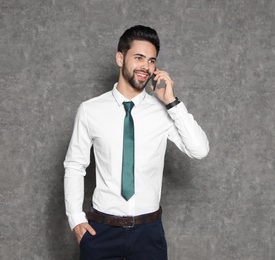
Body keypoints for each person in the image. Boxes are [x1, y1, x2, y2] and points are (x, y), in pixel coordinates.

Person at [64, 25, 209, 260]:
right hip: (101, 231)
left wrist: (171, 102)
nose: (146, 67)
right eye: (139, 57)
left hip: (148, 234)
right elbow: (74, 165)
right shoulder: (90, 110)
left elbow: (200, 150)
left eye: (152, 60)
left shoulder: (163, 112)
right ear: (120, 58)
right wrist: (75, 219)